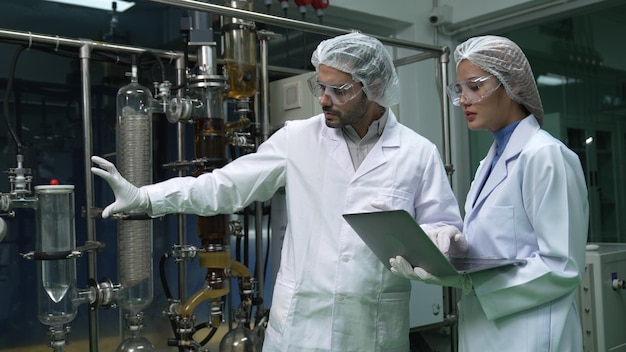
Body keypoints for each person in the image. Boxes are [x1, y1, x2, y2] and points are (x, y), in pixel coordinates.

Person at [91, 32, 463, 352]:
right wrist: (146, 198)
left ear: (375, 87)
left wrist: (436, 246)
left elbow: (443, 230)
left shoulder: (418, 153)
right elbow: (224, 187)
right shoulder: (298, 138)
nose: (323, 99)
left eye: (339, 90)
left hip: (372, 329)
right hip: (301, 328)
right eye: (321, 86)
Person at [390, 35, 589, 351]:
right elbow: (503, 245)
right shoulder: (490, 161)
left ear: (512, 86)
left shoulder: (545, 155)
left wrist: (468, 280)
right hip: (487, 331)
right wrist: (455, 250)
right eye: (460, 91)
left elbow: (560, 266)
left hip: (532, 335)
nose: (464, 100)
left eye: (475, 86)